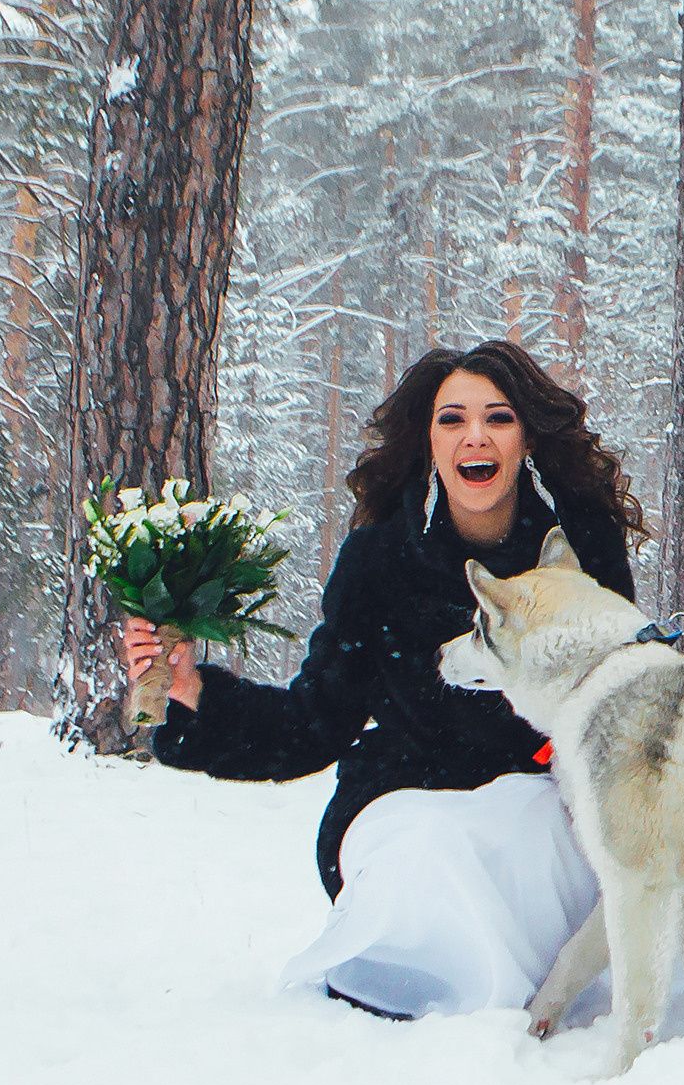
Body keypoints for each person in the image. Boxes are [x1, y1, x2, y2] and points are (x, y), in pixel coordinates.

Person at [122, 339, 647, 1021]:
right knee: (430, 846)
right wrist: (196, 693)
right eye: (452, 419)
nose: (475, 436)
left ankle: (534, 995)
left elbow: (620, 703)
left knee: (531, 832)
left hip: (539, 796)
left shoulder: (580, 551)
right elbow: (313, 724)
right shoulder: (378, 558)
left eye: (498, 418)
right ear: (429, 441)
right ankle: (422, 986)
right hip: (405, 797)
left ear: (527, 441)